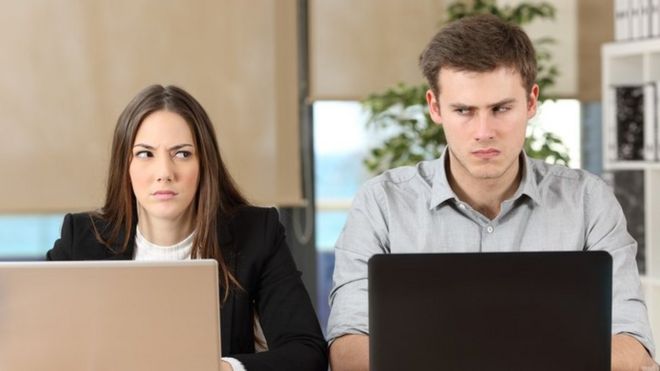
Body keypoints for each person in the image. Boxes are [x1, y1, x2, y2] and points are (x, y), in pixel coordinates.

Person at [327, 14, 657, 371]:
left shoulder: (589, 201)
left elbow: (631, 341)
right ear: (435, 107)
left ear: (531, 102)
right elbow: (347, 347)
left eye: (501, 108)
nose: (484, 131)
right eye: (464, 110)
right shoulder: (381, 204)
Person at [46, 84, 328, 371]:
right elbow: (33, 339)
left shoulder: (256, 233)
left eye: (182, 154)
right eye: (145, 154)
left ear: (205, 163)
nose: (164, 173)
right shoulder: (81, 239)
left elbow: (306, 353)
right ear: (125, 165)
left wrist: (221, 369)